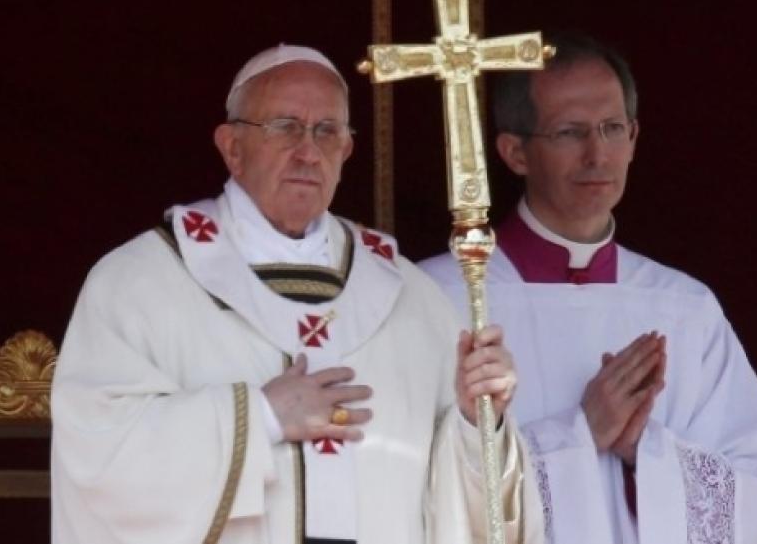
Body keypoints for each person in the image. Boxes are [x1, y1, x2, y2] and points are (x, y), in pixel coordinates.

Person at [50, 44, 542, 544]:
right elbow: (97, 453)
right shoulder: (142, 282)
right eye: (285, 127)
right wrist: (260, 417)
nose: (308, 152)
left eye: (327, 131)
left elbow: (469, 510)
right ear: (232, 147)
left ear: (346, 152)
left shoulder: (410, 298)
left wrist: (477, 419)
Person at [420, 32, 757, 544]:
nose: (597, 154)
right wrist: (582, 433)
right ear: (515, 152)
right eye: (570, 133)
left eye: (612, 129)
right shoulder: (439, 298)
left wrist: (644, 449)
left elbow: (755, 490)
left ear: (633, 138)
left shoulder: (684, 307)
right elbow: (414, 486)